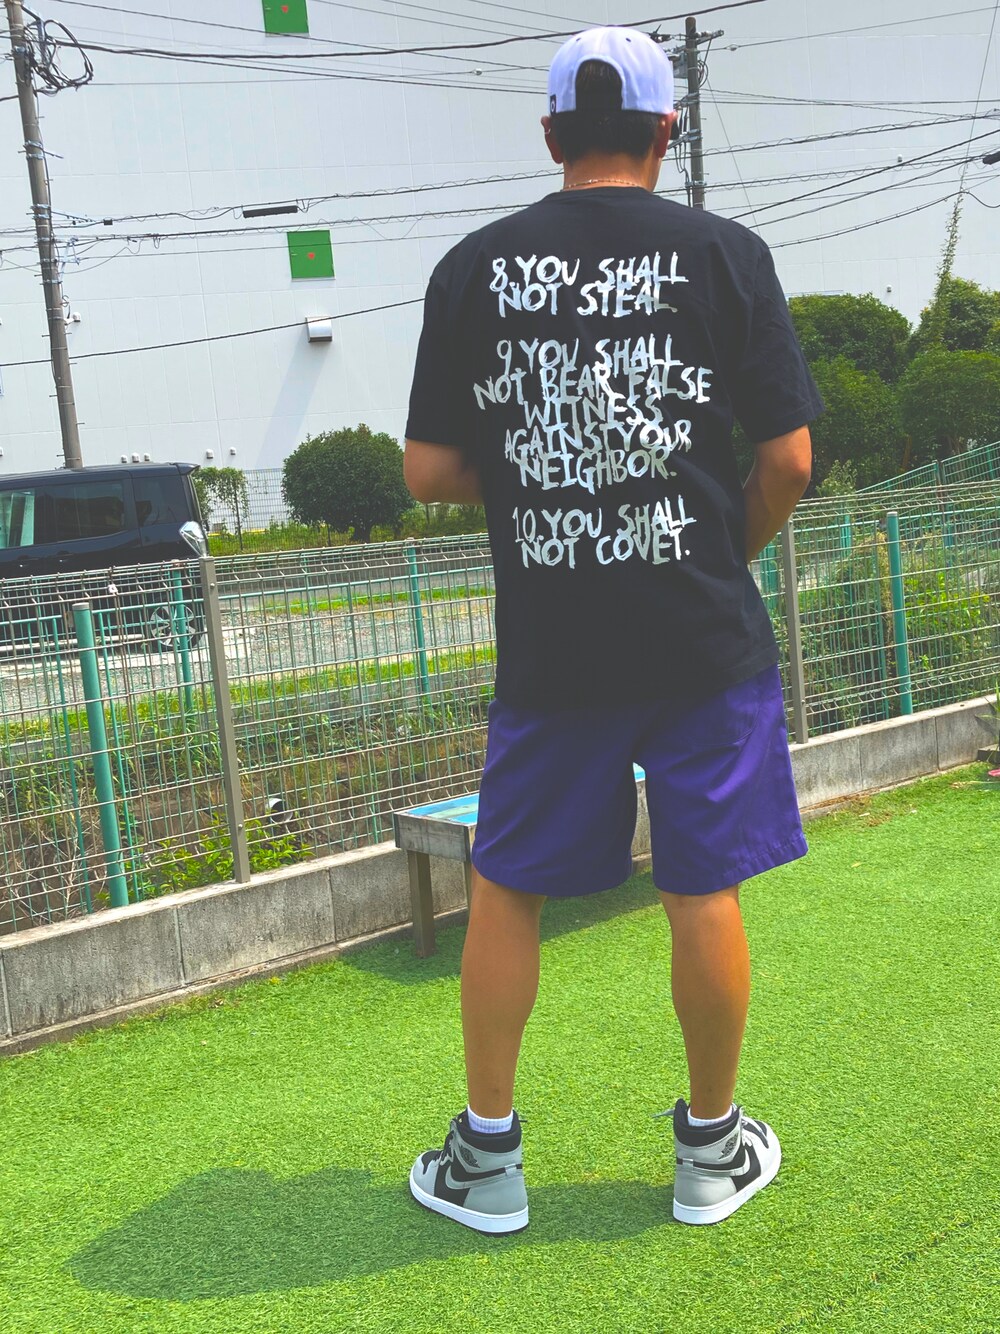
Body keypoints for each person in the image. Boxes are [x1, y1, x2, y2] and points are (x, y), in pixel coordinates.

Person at [403, 26, 822, 1233]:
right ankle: (710, 1152)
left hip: (554, 643)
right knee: (702, 884)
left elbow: (429, 468)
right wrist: (719, 549)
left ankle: (488, 1161)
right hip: (700, 633)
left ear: (549, 134)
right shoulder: (726, 255)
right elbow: (788, 460)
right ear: (665, 133)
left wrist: (540, 479)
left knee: (506, 886)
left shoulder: (472, 268)